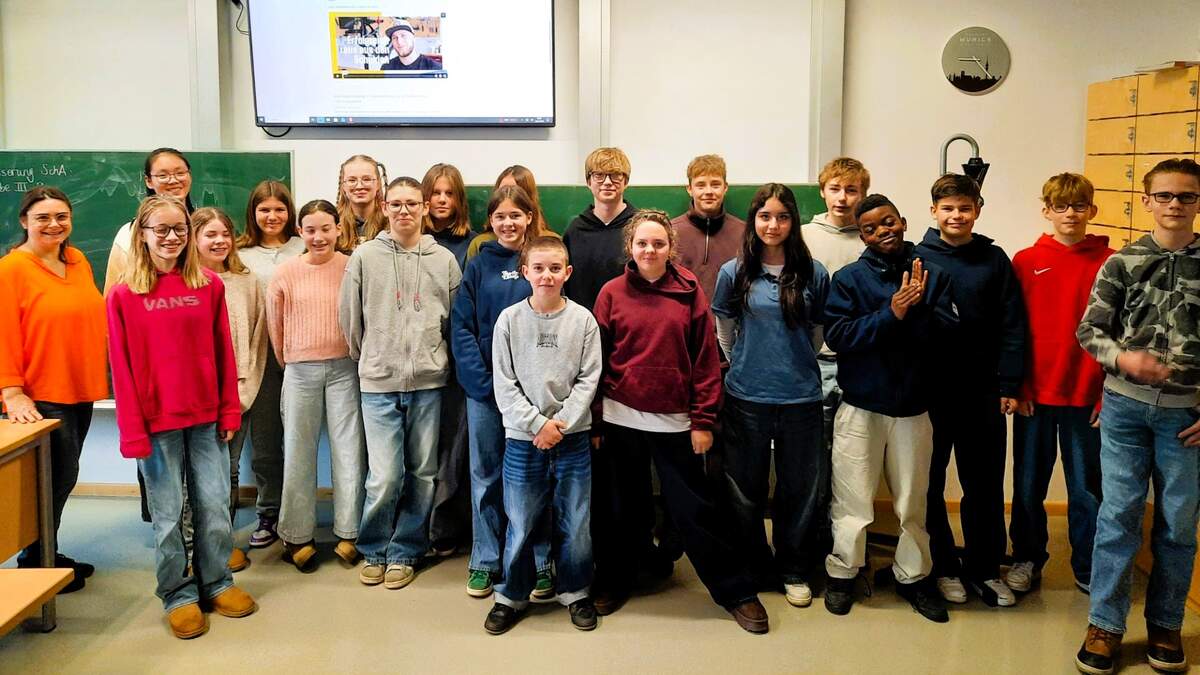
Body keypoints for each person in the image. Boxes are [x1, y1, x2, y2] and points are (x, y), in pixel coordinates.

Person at [591, 209, 768, 634]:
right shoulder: (611, 293)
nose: (649, 250)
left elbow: (706, 360)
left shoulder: (689, 291)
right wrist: (596, 422)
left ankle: (735, 591)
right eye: (642, 243)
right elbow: (596, 361)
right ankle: (617, 579)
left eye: (658, 243)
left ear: (671, 247)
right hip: (620, 418)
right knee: (622, 509)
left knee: (696, 511)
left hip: (676, 422)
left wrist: (703, 421)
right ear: (630, 247)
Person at [107, 195, 257, 639]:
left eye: (180, 229)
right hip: (156, 425)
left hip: (207, 419)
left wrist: (229, 410)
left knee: (214, 506)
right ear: (143, 235)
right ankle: (177, 593)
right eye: (161, 229)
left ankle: (217, 582)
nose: (171, 237)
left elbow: (223, 352)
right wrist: (132, 432)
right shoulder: (124, 295)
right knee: (169, 515)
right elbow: (121, 368)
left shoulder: (208, 285)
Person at [1073, 158, 1200, 675]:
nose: (1175, 204)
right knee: (1118, 517)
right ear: (1146, 201)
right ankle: (1105, 624)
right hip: (1124, 411)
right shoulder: (1122, 263)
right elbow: (1090, 330)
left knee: (1178, 524)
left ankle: (1166, 624)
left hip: (1187, 420)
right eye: (1164, 195)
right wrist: (1123, 359)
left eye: (1186, 196)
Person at [822, 194, 957, 624]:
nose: (883, 231)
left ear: (903, 221)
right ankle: (843, 573)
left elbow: (948, 334)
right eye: (871, 228)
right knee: (852, 501)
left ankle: (914, 577)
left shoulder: (933, 274)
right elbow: (839, 336)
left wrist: (916, 308)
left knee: (913, 502)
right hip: (860, 407)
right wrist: (892, 312)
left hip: (914, 409)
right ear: (862, 236)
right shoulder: (848, 279)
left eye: (888, 222)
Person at [339, 176, 461, 590]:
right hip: (378, 382)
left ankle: (406, 550)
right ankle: (374, 548)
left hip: (428, 382)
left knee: (423, 472)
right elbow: (350, 318)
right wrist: (372, 357)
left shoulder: (443, 259)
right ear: (384, 207)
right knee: (385, 475)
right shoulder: (364, 257)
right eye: (396, 204)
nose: (404, 211)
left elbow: (454, 319)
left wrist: (435, 358)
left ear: (424, 208)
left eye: (412, 203)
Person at [710, 183, 828, 608]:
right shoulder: (734, 272)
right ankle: (754, 565)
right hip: (747, 396)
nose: (773, 225)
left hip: (801, 399)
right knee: (744, 489)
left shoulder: (814, 272)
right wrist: (745, 360)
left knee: (800, 488)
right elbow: (725, 329)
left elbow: (817, 334)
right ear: (753, 221)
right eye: (764, 216)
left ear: (793, 221)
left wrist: (791, 362)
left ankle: (793, 567)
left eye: (782, 216)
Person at [915, 173, 1026, 608]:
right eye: (948, 208)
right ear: (933, 212)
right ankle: (943, 567)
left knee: (984, 483)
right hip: (931, 392)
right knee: (930, 483)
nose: (956, 215)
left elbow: (1012, 324)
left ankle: (985, 569)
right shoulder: (917, 257)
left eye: (965, 208)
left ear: (978, 210)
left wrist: (1009, 383)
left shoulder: (994, 259)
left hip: (983, 391)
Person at [483, 236, 603, 635]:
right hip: (523, 439)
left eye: (555, 268)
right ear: (525, 273)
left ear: (567, 273)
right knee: (520, 518)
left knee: (576, 519)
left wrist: (560, 423)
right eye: (538, 268)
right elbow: (504, 383)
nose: (546, 276)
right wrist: (537, 425)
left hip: (572, 438)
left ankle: (575, 591)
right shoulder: (509, 320)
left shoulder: (583, 321)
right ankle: (511, 596)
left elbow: (588, 379)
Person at [1006, 174, 1111, 597]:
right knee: (1028, 484)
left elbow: (1120, 334)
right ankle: (1027, 558)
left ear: (1092, 210)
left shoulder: (1111, 262)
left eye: (1079, 205)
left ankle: (1088, 565)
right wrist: (1018, 386)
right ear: (1046, 210)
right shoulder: (1025, 260)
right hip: (1035, 395)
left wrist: (1107, 394)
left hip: (1087, 395)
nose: (1070, 214)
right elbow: (1013, 330)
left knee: (1087, 488)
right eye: (1061, 206)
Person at [1, 186, 107, 592]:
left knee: (62, 476)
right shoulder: (11, 269)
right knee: (54, 479)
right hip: (40, 392)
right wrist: (12, 391)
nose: (54, 224)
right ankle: (36, 561)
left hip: (79, 386)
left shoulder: (77, 261)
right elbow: (3, 333)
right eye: (43, 217)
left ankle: (46, 553)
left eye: (61, 216)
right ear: (24, 221)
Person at [451, 185, 552, 599]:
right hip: (487, 393)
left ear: (529, 217)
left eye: (515, 215)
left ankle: (539, 561)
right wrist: (482, 384)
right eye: (500, 217)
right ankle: (485, 559)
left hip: (534, 396)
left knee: (534, 477)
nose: (508, 223)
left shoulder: (543, 262)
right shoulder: (478, 266)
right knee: (486, 476)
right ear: (490, 221)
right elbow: (461, 327)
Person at [268, 199, 365, 572]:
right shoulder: (285, 273)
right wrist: (292, 361)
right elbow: (276, 327)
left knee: (349, 451)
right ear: (299, 232)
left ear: (339, 230)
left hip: (345, 368)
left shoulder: (351, 267)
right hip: (300, 370)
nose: (319, 236)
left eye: (326, 228)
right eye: (310, 230)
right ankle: (297, 535)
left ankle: (350, 532)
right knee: (298, 452)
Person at [190, 207, 269, 573]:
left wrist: (244, 392)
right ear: (193, 239)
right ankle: (196, 547)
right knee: (196, 475)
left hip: (237, 395)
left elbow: (257, 340)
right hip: (196, 398)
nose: (219, 241)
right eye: (210, 235)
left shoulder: (247, 281)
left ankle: (222, 543)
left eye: (225, 234)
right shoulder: (184, 283)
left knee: (229, 470)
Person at [237, 180, 305, 550]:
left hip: (299, 355)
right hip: (259, 357)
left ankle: (299, 514)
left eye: (279, 209)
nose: (272, 216)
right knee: (265, 444)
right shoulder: (239, 253)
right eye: (264, 209)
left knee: (299, 440)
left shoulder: (304, 246)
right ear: (253, 213)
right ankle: (269, 510)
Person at [423, 162, 477, 558]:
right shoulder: (411, 242)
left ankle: (451, 526)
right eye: (435, 193)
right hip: (420, 365)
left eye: (449, 193)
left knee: (456, 451)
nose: (442, 200)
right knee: (424, 452)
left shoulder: (472, 246)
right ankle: (424, 527)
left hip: (458, 364)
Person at [803, 157, 870, 451]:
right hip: (813, 361)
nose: (842, 198)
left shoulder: (870, 240)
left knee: (852, 452)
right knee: (813, 447)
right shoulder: (802, 237)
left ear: (863, 194)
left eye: (851, 190)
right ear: (822, 191)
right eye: (835, 189)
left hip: (858, 361)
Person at [103, 147, 196, 295]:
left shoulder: (207, 227)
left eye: (180, 173)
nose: (173, 180)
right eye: (163, 175)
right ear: (149, 181)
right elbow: (112, 294)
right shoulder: (128, 233)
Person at [563, 147, 639, 311]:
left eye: (615, 175)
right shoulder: (575, 231)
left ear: (626, 181)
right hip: (582, 320)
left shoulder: (640, 228)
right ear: (588, 182)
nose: (607, 182)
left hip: (628, 318)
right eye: (599, 175)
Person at [671, 154, 746, 303]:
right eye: (700, 185)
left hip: (728, 316)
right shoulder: (670, 231)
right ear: (689, 189)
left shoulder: (743, 232)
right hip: (684, 315)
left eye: (715, 184)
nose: (709, 191)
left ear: (725, 188)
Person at [466, 165, 552, 260]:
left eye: (516, 191)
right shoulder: (479, 244)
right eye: (503, 190)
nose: (508, 196)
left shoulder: (550, 242)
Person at [335, 154, 388, 251]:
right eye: (352, 180)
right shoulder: (332, 223)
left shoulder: (391, 222)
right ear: (343, 186)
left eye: (366, 179)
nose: (359, 186)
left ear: (378, 184)